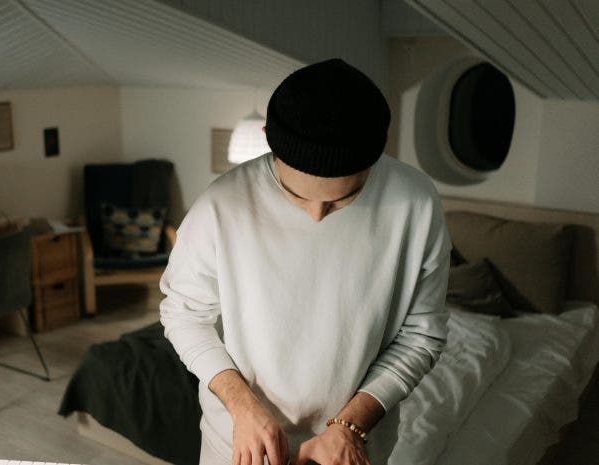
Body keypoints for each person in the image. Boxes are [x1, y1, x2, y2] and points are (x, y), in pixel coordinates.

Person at [159, 58, 452, 465]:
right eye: (295, 195)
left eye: (341, 198)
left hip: (351, 449)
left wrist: (350, 426)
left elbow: (422, 334)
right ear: (269, 140)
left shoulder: (415, 203)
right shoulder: (221, 204)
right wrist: (242, 406)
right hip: (237, 443)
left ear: (374, 158)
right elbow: (184, 315)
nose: (316, 216)